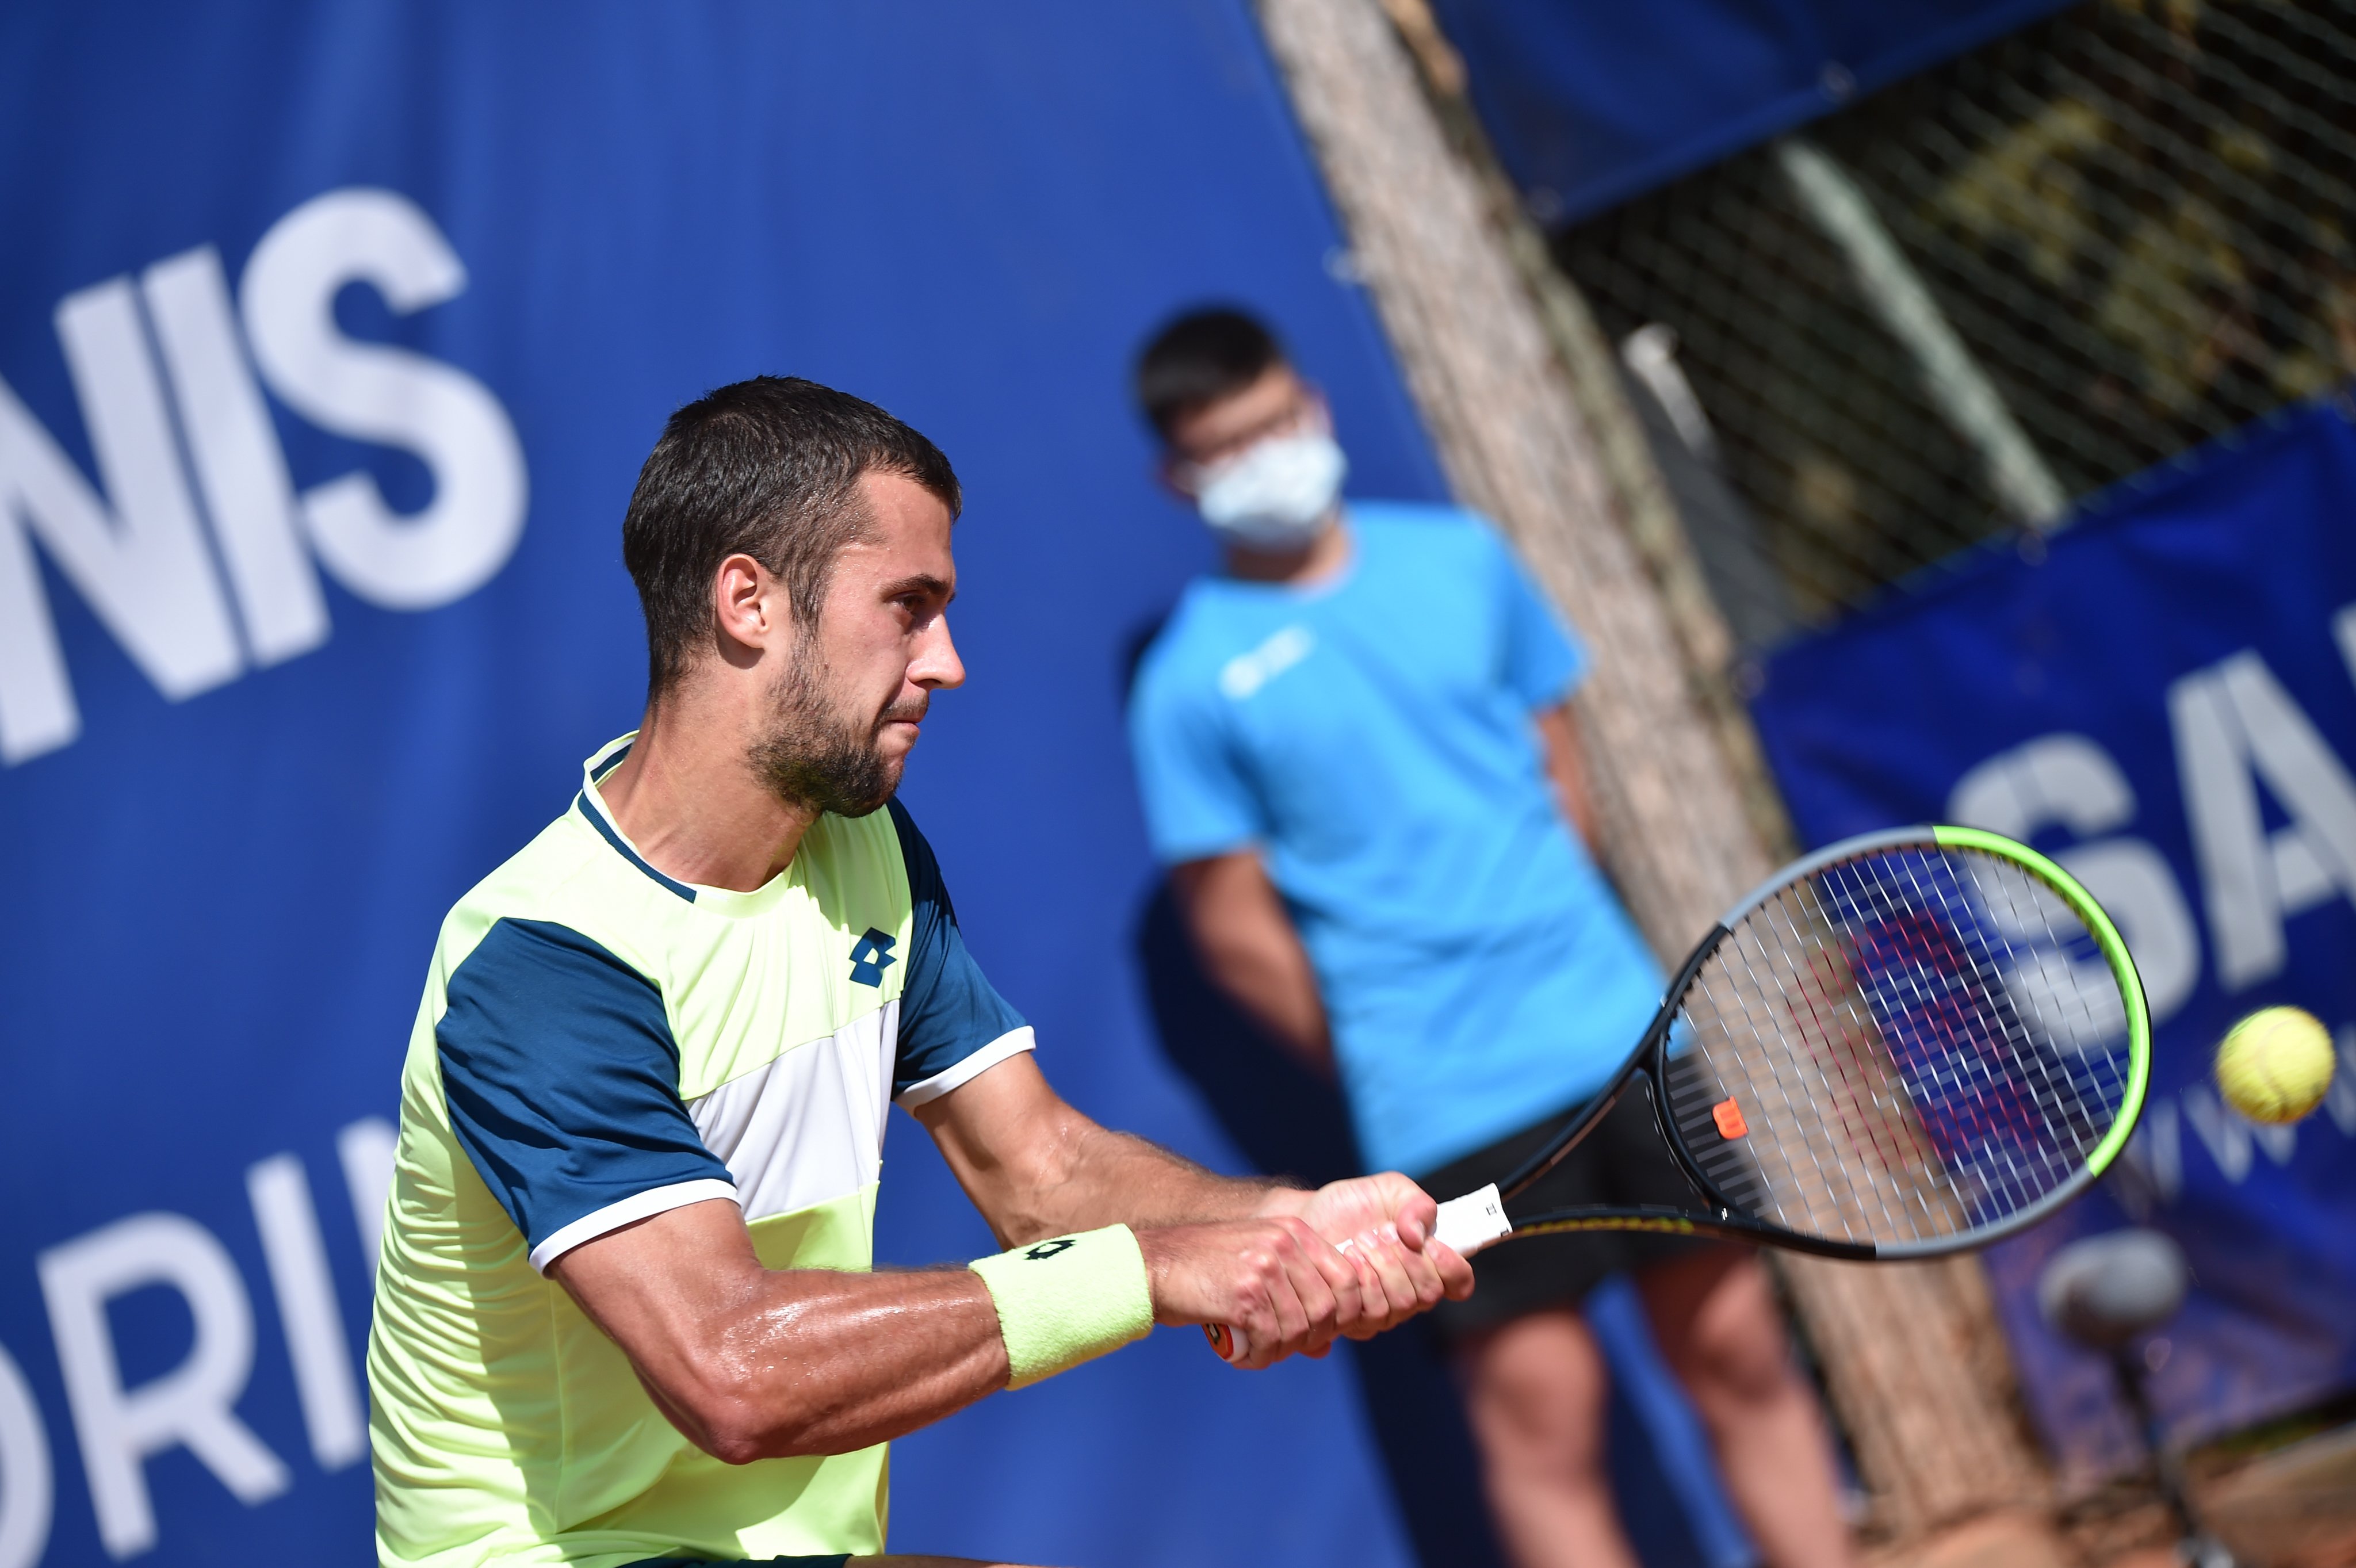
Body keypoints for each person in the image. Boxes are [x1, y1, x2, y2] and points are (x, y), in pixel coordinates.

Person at [366, 375, 1474, 1568]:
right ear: (748, 602)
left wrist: (1286, 1224)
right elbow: (731, 1371)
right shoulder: (545, 967)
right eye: (908, 606)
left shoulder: (860, 844)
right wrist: (1155, 1269)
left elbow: (1038, 1171)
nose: (945, 661)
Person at [1123, 309, 1857, 1568]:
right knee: (1540, 1422)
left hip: (1623, 1038)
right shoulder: (1189, 681)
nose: (1267, 459)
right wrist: (1385, 1041)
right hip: (1442, 1105)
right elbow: (1231, 926)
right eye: (1228, 448)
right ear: (1178, 477)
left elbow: (1556, 766)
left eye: (1277, 425)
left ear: (1316, 404)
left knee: (1737, 1350)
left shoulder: (1458, 560)